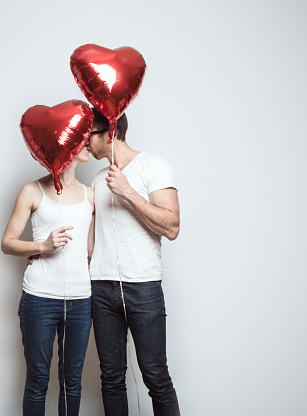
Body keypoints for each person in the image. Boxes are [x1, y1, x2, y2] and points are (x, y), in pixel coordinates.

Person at [86, 108, 181, 416]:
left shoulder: (154, 166)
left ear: (109, 134)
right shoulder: (99, 179)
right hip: (100, 288)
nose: (83, 142)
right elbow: (93, 238)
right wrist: (45, 253)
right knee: (111, 378)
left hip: (143, 288)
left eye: (89, 134)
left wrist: (128, 192)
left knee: (156, 376)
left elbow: (172, 227)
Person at [1, 145, 95, 416]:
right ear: (67, 147)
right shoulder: (32, 191)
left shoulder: (91, 196)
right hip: (39, 299)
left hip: (80, 300)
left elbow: (90, 252)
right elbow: (7, 243)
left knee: (71, 382)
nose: (88, 144)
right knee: (38, 381)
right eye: (82, 140)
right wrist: (42, 246)